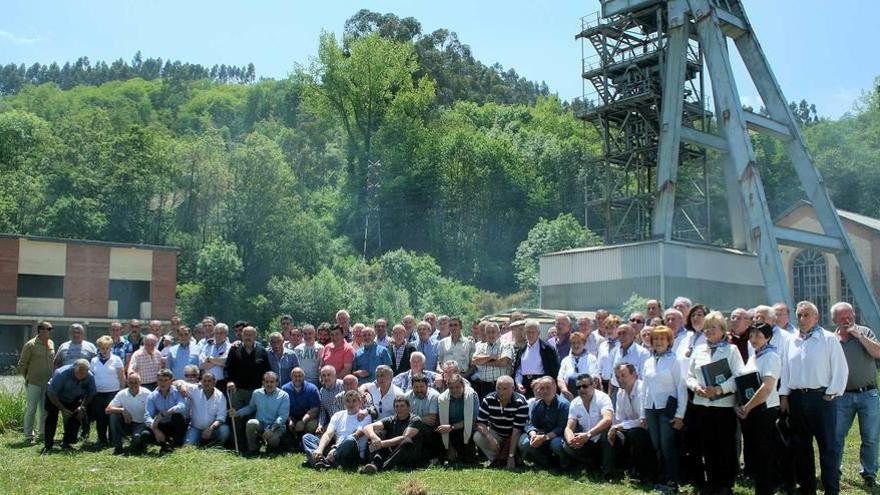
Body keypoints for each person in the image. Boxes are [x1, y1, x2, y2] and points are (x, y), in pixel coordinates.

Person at [779, 301, 849, 495]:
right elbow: (785, 369)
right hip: (797, 399)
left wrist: (831, 393)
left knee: (827, 447)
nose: (802, 319)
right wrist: (784, 395)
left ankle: (831, 489)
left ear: (816, 318)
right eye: (799, 315)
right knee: (802, 447)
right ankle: (807, 487)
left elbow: (840, 369)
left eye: (806, 315)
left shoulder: (828, 339)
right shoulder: (791, 341)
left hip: (821, 399)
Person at [686, 311, 744, 495]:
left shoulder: (731, 350)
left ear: (722, 330)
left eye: (713, 327)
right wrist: (696, 387)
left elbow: (739, 376)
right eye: (706, 328)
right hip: (702, 405)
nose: (709, 331)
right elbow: (688, 376)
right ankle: (710, 482)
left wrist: (720, 389)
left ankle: (725, 484)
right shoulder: (698, 350)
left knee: (725, 446)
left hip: (723, 407)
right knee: (707, 446)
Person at [832, 301, 880, 488]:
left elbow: (878, 353)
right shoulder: (831, 339)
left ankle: (869, 473)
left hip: (868, 394)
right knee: (837, 435)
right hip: (841, 396)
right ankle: (834, 470)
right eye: (842, 317)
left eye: (849, 315)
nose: (847, 319)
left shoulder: (864, 332)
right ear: (834, 319)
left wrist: (858, 335)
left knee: (870, 436)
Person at [734, 323, 783, 495]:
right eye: (752, 335)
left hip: (764, 411)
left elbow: (767, 387)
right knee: (756, 455)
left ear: (768, 337)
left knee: (765, 456)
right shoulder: (755, 356)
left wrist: (747, 407)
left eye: (758, 336)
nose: (754, 340)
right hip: (751, 411)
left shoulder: (770, 356)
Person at [641, 326, 687, 493]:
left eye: (662, 338)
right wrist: (642, 414)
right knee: (656, 445)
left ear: (669, 341)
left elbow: (681, 388)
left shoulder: (675, 360)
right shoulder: (648, 361)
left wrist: (680, 415)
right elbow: (644, 388)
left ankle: (672, 482)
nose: (658, 342)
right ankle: (660, 479)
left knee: (667, 445)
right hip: (650, 409)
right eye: (655, 339)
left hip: (667, 409)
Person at [562, 373, 614, 476]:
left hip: (602, 439)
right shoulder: (575, 403)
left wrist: (588, 434)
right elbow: (568, 428)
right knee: (566, 444)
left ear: (593, 385)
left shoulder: (603, 398)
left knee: (607, 433)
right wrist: (571, 440)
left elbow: (608, 419)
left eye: (585, 386)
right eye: (578, 387)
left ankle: (608, 471)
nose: (581, 389)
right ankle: (591, 465)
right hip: (586, 440)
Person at [302, 390, 371, 469]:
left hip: (353, 453)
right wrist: (320, 449)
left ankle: (319, 461)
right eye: (348, 401)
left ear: (360, 402)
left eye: (354, 401)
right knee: (307, 437)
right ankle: (322, 461)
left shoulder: (365, 416)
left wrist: (335, 449)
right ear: (344, 403)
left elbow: (356, 435)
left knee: (350, 440)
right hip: (336, 450)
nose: (351, 404)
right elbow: (328, 434)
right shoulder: (338, 415)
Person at [609, 363, 654, 481]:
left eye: (623, 375)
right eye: (617, 377)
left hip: (648, 431)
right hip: (631, 428)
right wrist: (616, 428)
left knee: (634, 433)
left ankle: (645, 473)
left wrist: (620, 426)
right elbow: (619, 418)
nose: (620, 379)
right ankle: (620, 470)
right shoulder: (620, 392)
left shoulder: (642, 389)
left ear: (634, 375)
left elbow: (643, 422)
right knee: (615, 434)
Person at [474, 375, 528, 469]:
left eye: (504, 389)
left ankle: (513, 457)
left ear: (513, 388)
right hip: (496, 433)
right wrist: (490, 438)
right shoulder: (488, 399)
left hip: (514, 435)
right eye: (498, 388)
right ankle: (498, 459)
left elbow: (517, 431)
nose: (500, 392)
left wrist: (510, 455)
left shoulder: (521, 402)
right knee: (477, 437)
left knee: (525, 442)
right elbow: (480, 423)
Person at [43, 359, 96, 453]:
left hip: (73, 398)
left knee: (76, 416)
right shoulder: (61, 374)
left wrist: (82, 407)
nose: (82, 376)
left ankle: (67, 442)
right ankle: (48, 445)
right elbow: (51, 393)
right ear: (74, 369)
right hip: (55, 397)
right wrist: (62, 409)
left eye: (84, 373)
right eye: (79, 373)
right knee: (51, 417)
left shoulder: (90, 376)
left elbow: (91, 393)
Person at [360, 395, 424, 473]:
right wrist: (375, 438)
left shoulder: (415, 420)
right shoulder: (391, 419)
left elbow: (403, 438)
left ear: (408, 407)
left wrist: (381, 444)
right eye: (397, 406)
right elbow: (367, 427)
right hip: (393, 453)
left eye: (402, 406)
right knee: (377, 434)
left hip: (410, 455)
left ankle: (381, 467)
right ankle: (374, 464)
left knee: (407, 442)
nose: (399, 409)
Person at [230, 371, 289, 455]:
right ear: (263, 382)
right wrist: (237, 413)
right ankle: (253, 449)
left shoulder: (284, 395)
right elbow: (251, 407)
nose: (269, 384)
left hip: (276, 426)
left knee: (273, 440)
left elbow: (283, 416)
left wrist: (271, 429)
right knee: (251, 423)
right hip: (261, 424)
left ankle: (271, 449)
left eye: (272, 382)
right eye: (267, 382)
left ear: (277, 383)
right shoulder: (257, 393)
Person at [518, 376, 569, 468]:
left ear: (555, 388)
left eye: (548, 387)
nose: (545, 391)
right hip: (541, 435)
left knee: (556, 444)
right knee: (525, 442)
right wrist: (533, 435)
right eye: (542, 388)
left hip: (557, 436)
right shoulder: (537, 404)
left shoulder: (563, 405)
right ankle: (545, 462)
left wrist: (544, 438)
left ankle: (565, 463)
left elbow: (561, 428)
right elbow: (531, 424)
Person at [17, 320, 55, 444]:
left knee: (44, 410)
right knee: (31, 409)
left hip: (47, 383)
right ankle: (28, 435)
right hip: (34, 382)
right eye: (45, 328)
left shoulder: (51, 343)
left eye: (50, 329)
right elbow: (22, 364)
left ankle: (42, 433)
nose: (48, 331)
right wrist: (27, 378)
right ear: (39, 330)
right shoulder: (30, 344)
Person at [89, 336, 125, 449]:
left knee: (112, 417)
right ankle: (102, 439)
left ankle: (113, 439)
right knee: (100, 417)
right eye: (102, 348)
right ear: (98, 348)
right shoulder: (93, 360)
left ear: (111, 348)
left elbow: (122, 377)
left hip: (113, 393)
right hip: (98, 393)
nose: (104, 350)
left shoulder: (117, 359)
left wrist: (121, 393)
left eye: (107, 348)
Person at [139, 368, 187, 452]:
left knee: (178, 416)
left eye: (165, 380)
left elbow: (182, 406)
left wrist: (165, 413)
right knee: (145, 435)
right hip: (160, 425)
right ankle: (163, 443)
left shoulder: (177, 392)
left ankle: (176, 444)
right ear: (157, 381)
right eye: (160, 380)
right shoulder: (152, 396)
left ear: (171, 381)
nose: (162, 383)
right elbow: (147, 416)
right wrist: (155, 429)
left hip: (173, 424)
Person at [177, 371, 229, 447]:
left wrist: (211, 428)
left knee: (225, 430)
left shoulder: (220, 396)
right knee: (187, 447)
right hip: (196, 427)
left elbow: (221, 417)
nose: (206, 383)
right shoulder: (195, 389)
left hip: (213, 429)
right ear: (201, 381)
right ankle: (199, 442)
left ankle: (216, 446)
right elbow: (177, 382)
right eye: (204, 381)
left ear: (215, 382)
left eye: (209, 381)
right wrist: (182, 387)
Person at [225, 326, 271, 410]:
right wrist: (229, 381)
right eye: (246, 335)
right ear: (242, 336)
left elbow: (267, 370)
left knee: (253, 417)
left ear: (255, 337)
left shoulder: (262, 351)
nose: (248, 337)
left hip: (256, 390)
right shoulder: (234, 349)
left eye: (251, 335)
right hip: (237, 390)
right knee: (236, 416)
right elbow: (227, 368)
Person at [437, 374, 479, 463]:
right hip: (449, 430)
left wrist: (452, 427)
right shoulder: (442, 399)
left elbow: (472, 421)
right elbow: (441, 422)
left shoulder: (472, 396)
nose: (454, 390)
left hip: (466, 428)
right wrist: (449, 446)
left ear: (463, 386)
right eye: (451, 388)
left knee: (468, 460)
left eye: (457, 387)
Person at [513, 320, 560, 399]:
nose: (530, 334)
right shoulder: (521, 349)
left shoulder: (547, 349)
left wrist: (541, 381)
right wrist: (518, 383)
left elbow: (554, 370)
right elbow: (519, 370)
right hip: (525, 386)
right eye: (528, 332)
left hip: (542, 386)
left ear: (538, 333)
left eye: (533, 332)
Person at [106, 372, 150, 455]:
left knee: (137, 439)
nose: (133, 385)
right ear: (127, 382)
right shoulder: (122, 393)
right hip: (126, 423)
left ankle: (138, 444)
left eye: (136, 382)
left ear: (140, 382)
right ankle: (118, 447)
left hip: (141, 424)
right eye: (130, 382)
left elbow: (153, 413)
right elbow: (107, 409)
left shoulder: (147, 394)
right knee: (114, 416)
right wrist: (122, 410)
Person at [471, 321, 514, 398]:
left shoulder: (506, 345)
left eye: (493, 332)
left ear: (498, 332)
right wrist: (490, 357)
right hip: (485, 386)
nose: (491, 335)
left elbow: (503, 362)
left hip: (503, 386)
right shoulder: (480, 346)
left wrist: (482, 362)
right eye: (488, 332)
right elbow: (474, 360)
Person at [405, 373, 441, 459]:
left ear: (427, 386)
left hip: (430, 429)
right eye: (416, 387)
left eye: (421, 387)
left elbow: (431, 421)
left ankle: (417, 459)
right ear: (412, 386)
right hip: (410, 427)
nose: (419, 390)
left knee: (420, 429)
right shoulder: (406, 396)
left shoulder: (434, 396)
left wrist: (413, 419)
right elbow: (403, 416)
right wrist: (422, 419)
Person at [282, 367, 320, 447]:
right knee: (282, 423)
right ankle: (288, 443)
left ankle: (305, 443)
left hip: (307, 417)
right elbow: (282, 408)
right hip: (290, 416)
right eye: (295, 376)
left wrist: (303, 421)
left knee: (312, 425)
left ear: (304, 376)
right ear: (291, 377)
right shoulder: (284, 389)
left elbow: (315, 409)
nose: (297, 378)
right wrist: (289, 420)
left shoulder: (312, 388)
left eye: (300, 376)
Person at [609, 323, 650, 397]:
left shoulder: (643, 353)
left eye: (624, 333)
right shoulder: (614, 351)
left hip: (635, 392)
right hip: (617, 391)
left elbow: (644, 377)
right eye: (619, 334)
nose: (621, 336)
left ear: (633, 335)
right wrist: (610, 394)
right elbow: (612, 375)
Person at [557, 331, 599, 401]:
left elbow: (594, 377)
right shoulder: (565, 360)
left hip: (586, 394)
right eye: (573, 343)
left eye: (579, 343)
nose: (576, 345)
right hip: (567, 394)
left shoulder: (592, 359)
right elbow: (560, 378)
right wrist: (565, 391)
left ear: (584, 344)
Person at [199, 323, 231, 391]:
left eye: (221, 333)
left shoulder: (230, 347)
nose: (218, 335)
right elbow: (201, 365)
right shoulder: (207, 346)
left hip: (222, 384)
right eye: (216, 333)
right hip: (206, 383)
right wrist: (218, 361)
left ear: (226, 334)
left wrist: (209, 359)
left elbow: (225, 362)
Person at [316, 365, 344, 433]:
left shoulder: (342, 385)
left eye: (329, 375)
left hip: (344, 421)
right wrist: (320, 425)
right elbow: (322, 411)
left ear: (335, 376)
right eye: (323, 375)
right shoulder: (322, 391)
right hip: (331, 422)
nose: (326, 377)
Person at [596, 316, 621, 392]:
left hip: (617, 384)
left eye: (612, 327)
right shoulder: (602, 345)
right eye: (607, 327)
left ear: (618, 328)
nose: (609, 330)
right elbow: (599, 365)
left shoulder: (622, 345)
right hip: (603, 383)